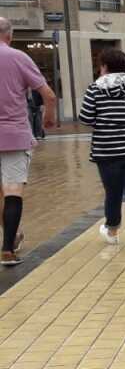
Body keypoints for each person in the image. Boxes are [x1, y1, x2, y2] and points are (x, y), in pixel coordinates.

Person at [78, 49, 125, 255]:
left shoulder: (95, 89)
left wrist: (105, 121)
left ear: (104, 66)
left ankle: (112, 232)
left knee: (113, 193)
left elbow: (85, 118)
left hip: (108, 149)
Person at [0, 18, 58, 265]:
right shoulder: (18, 58)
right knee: (13, 190)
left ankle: (11, 237)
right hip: (14, 133)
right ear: (9, 36)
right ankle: (7, 250)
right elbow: (49, 95)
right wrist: (48, 118)